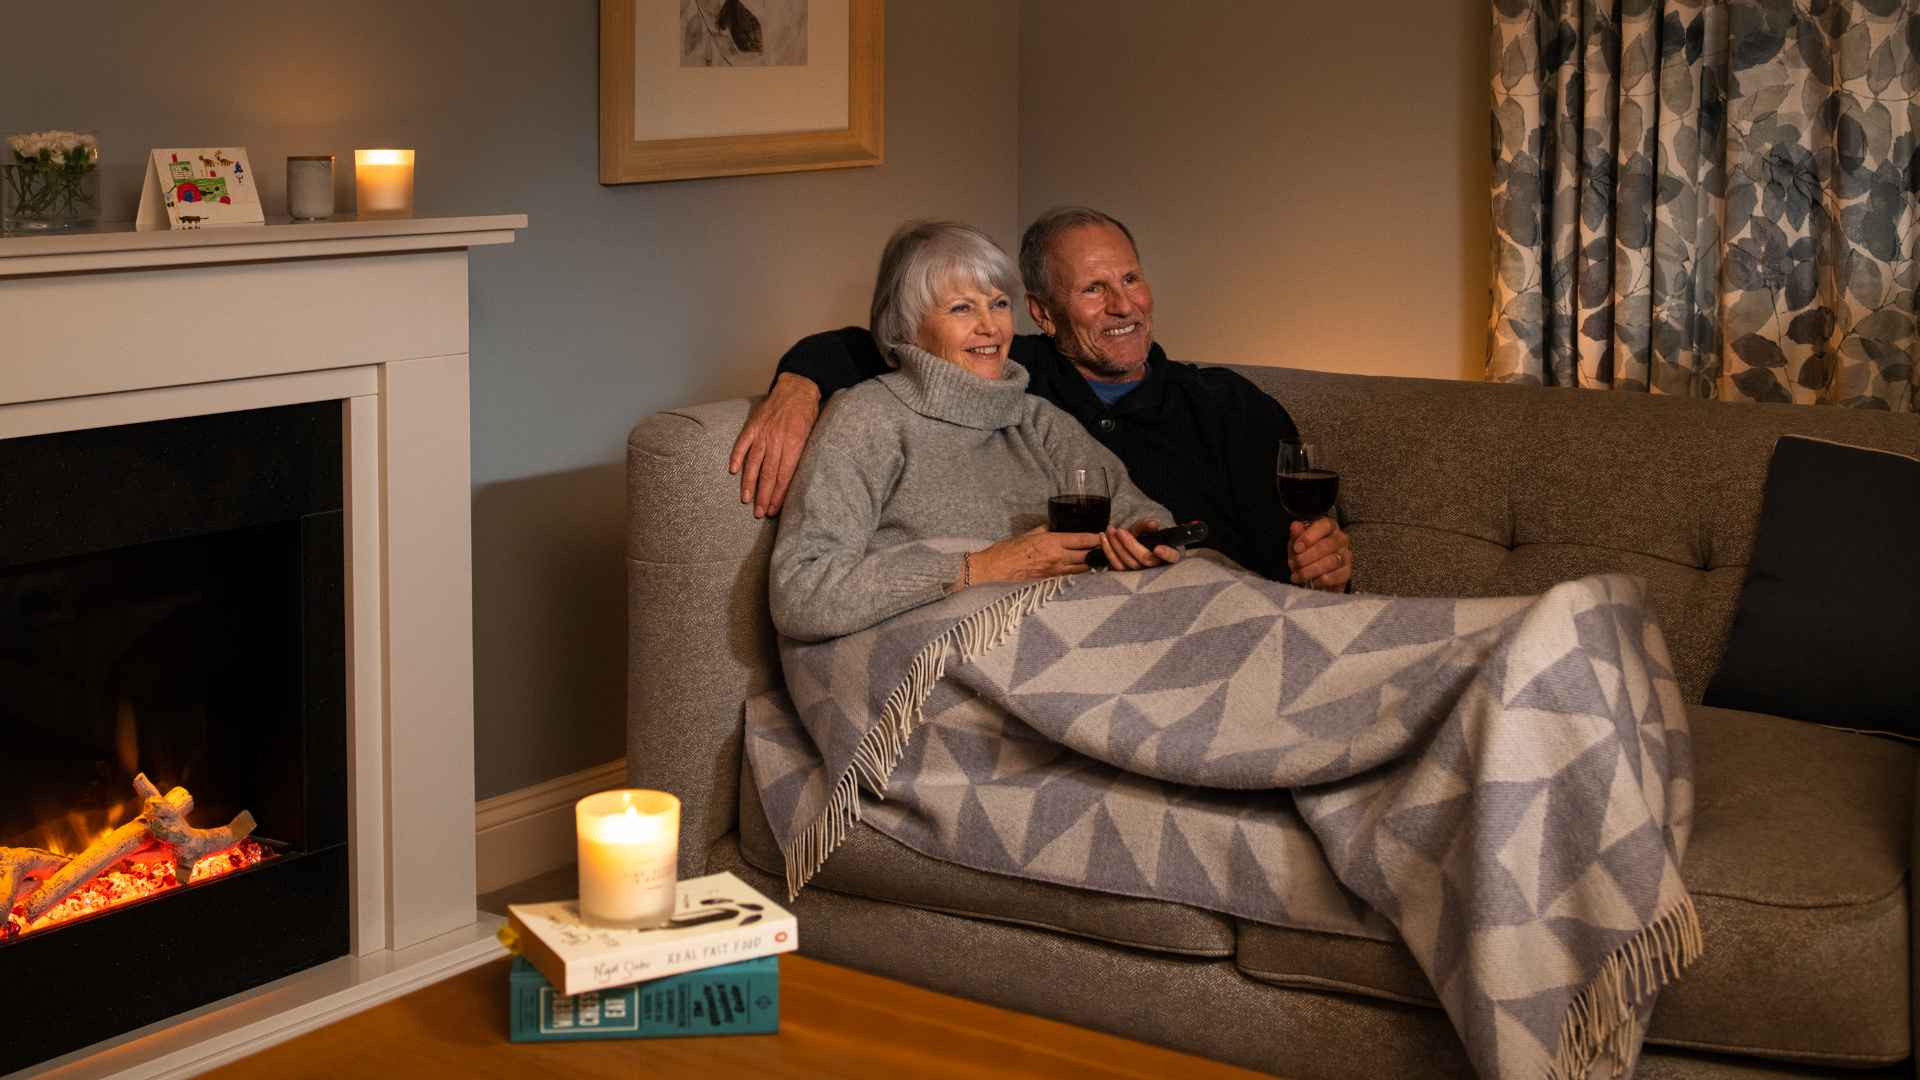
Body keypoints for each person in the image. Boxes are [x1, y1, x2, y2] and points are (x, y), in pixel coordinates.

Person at [733, 206, 1354, 592]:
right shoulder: (1009, 375)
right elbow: (885, 348)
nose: (1123, 306)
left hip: (1224, 609)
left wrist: (1326, 564)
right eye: (1092, 289)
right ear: (1044, 314)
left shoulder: (1230, 406)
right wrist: (798, 384)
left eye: (1130, 279)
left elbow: (1306, 550)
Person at [770, 221, 1181, 642]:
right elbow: (802, 593)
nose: (991, 327)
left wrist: (1147, 537)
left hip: (1058, 631)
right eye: (962, 308)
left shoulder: (1038, 419)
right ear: (907, 327)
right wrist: (979, 569)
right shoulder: (867, 419)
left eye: (999, 304)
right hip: (934, 655)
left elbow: (1135, 510)